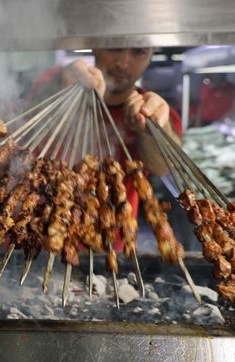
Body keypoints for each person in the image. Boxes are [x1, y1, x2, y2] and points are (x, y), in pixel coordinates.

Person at [27, 47, 184, 228]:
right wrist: (59, 86)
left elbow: (163, 167)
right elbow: (26, 120)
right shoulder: (58, 82)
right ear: (96, 46)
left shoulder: (156, 110)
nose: (123, 63)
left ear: (150, 57)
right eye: (114, 48)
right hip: (38, 231)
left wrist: (151, 127)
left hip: (109, 237)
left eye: (138, 52)